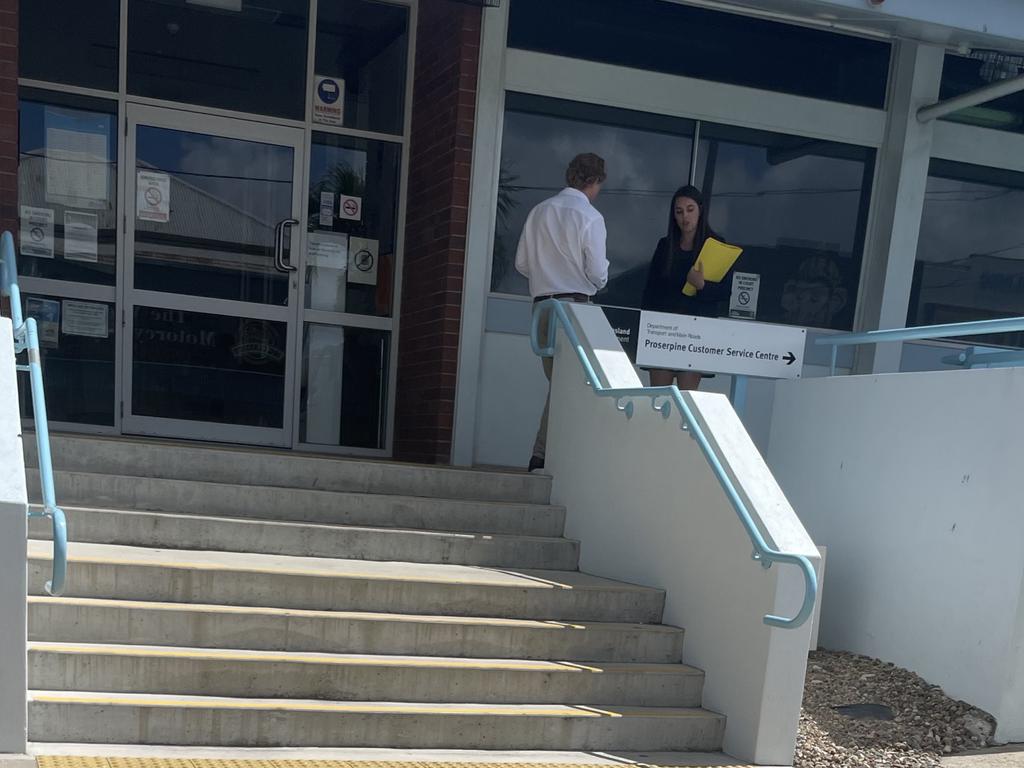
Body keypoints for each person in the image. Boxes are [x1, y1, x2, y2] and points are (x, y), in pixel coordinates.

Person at [515, 152, 609, 473]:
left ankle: (543, 456)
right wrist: (599, 277)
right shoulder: (590, 218)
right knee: (570, 387)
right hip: (574, 306)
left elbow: (522, 265)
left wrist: (547, 274)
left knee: (560, 384)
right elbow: (597, 272)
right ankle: (546, 456)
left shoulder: (539, 211)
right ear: (595, 182)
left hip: (542, 306)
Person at [641, 184, 733, 390]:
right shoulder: (665, 246)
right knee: (659, 400)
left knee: (686, 402)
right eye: (679, 211)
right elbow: (650, 291)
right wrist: (648, 329)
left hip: (696, 332)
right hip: (663, 332)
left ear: (700, 210)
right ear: (673, 215)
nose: (685, 217)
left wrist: (702, 285)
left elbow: (726, 291)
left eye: (690, 210)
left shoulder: (715, 245)